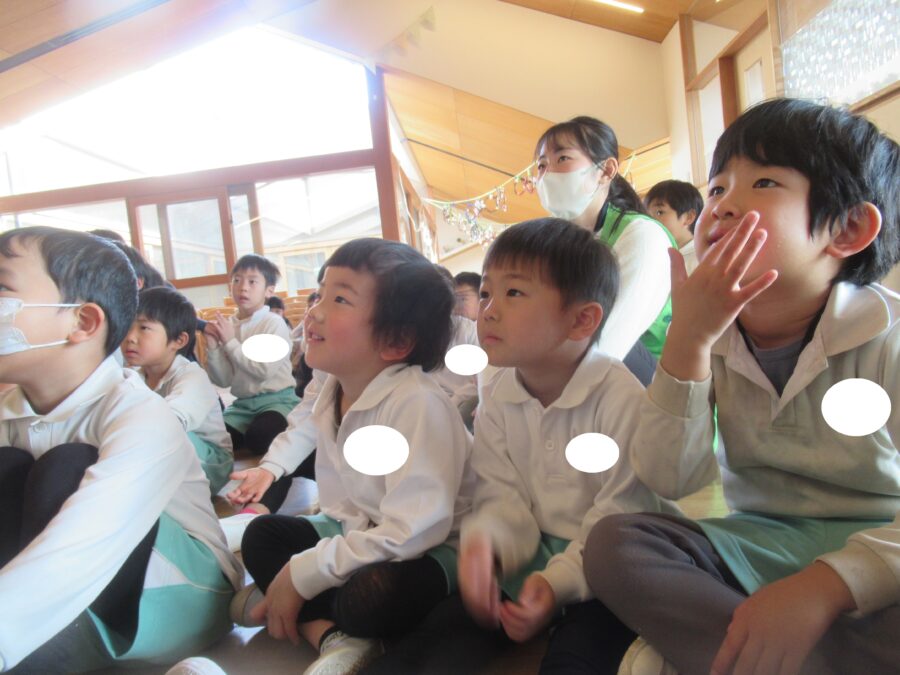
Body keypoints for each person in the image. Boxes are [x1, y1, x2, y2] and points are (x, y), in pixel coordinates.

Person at [584, 98, 900, 675]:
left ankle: (734, 649)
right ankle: (783, 652)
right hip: (760, 543)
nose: (723, 206)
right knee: (614, 546)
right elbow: (670, 477)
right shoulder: (711, 336)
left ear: (849, 229)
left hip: (879, 548)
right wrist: (688, 341)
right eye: (717, 188)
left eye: (764, 182)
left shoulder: (888, 334)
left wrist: (827, 586)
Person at [0, 227, 241, 672]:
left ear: (83, 322)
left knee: (67, 465)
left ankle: (50, 647)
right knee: (8, 465)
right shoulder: (9, 409)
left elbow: (81, 544)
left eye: (2, 288)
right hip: (64, 587)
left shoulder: (142, 415)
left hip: (180, 594)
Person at [229, 239, 473, 675]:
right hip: (361, 528)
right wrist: (307, 566)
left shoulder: (418, 403)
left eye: (340, 299)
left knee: (371, 598)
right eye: (320, 294)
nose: (315, 312)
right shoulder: (333, 386)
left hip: (432, 546)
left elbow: (413, 531)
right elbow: (343, 507)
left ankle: (292, 601)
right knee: (261, 536)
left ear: (396, 340)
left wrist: (304, 572)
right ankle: (329, 636)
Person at [534, 116, 675, 360]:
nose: (547, 174)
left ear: (606, 170)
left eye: (562, 158)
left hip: (649, 375)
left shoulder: (643, 236)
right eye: (541, 165)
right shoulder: (557, 244)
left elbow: (608, 346)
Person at [122, 286, 234, 494]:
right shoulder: (132, 376)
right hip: (168, 452)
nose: (130, 337)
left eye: (144, 328)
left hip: (211, 464)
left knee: (161, 429)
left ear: (179, 340)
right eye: (128, 326)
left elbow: (173, 419)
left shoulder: (193, 376)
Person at [203, 254, 299, 456]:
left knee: (259, 439)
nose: (243, 287)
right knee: (216, 439)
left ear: (269, 290)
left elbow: (263, 370)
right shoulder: (230, 325)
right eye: (237, 280)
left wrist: (230, 342)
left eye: (252, 281)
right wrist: (213, 348)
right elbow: (223, 380)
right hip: (243, 405)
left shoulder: (273, 323)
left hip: (277, 401)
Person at [645, 179, 704, 275]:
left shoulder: (702, 260)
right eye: (647, 215)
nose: (650, 221)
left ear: (689, 217)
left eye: (659, 212)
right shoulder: (655, 258)